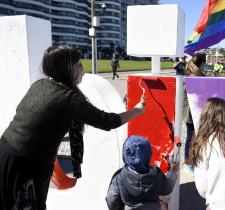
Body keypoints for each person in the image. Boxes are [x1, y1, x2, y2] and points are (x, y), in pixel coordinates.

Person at [0, 45, 146, 210]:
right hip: (26, 162)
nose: (82, 70)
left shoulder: (40, 84)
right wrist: (136, 111)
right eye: (79, 65)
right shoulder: (69, 98)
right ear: (67, 68)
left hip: (5, 150)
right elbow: (107, 121)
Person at [106, 135, 179, 210]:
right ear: (148, 154)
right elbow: (167, 189)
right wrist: (172, 172)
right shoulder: (156, 174)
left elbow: (112, 199)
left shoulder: (119, 177)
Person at [183, 52, 206, 176]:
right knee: (191, 137)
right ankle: (188, 163)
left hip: (195, 111)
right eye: (205, 62)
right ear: (202, 63)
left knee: (196, 137)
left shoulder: (194, 74)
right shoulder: (195, 76)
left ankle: (193, 161)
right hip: (192, 113)